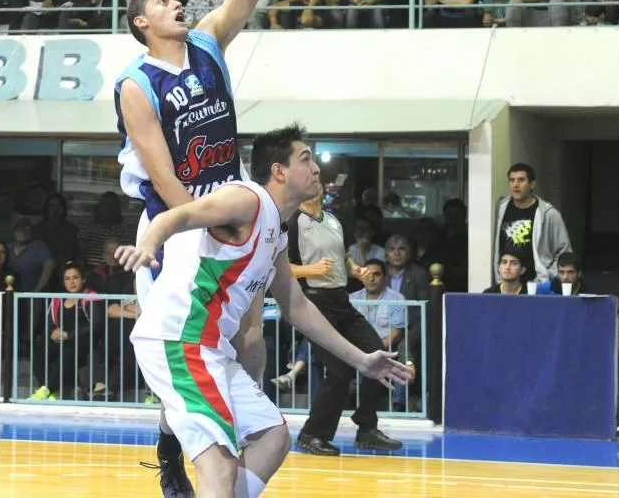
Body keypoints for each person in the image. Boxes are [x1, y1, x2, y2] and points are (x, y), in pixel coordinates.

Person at [112, 0, 307, 497]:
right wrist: (204, 226)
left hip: (230, 203)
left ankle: (238, 459)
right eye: (165, 0)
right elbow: (166, 179)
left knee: (249, 339)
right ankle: (178, 451)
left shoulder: (209, 41)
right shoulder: (137, 85)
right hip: (179, 220)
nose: (178, 2)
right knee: (186, 343)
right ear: (143, 22)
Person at [115, 125, 411, 498]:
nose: (317, 168)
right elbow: (177, 216)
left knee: (272, 437)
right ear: (279, 171)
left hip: (210, 349)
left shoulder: (276, 229)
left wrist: (362, 360)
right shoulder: (246, 200)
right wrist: (149, 244)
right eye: (306, 159)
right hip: (179, 338)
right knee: (219, 464)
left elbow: (297, 306)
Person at [288, 187, 404, 455]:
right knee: (339, 370)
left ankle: (367, 427)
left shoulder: (333, 220)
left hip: (341, 299)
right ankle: (312, 433)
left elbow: (344, 254)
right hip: (314, 302)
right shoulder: (292, 222)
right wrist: (312, 270)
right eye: (309, 178)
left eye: (317, 179)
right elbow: (282, 266)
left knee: (380, 356)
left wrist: (355, 270)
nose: (313, 184)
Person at [493, 163, 571, 283]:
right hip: (506, 283)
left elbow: (564, 253)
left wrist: (547, 276)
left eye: (521, 180)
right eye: (512, 180)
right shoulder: (501, 208)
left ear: (532, 184)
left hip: (536, 283)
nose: (516, 184)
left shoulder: (548, 214)